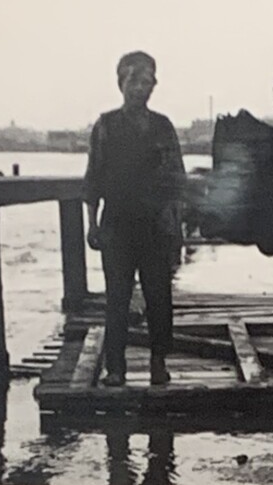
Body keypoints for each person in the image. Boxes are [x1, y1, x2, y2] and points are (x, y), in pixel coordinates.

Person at [83, 51, 186, 386]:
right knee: (117, 297)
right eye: (133, 81)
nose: (140, 88)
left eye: (147, 82)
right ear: (121, 83)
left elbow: (176, 179)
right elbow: (93, 177)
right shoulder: (105, 126)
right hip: (117, 223)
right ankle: (116, 367)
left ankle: (158, 361)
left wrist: (176, 225)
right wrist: (92, 222)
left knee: (159, 296)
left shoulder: (162, 127)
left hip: (156, 225)